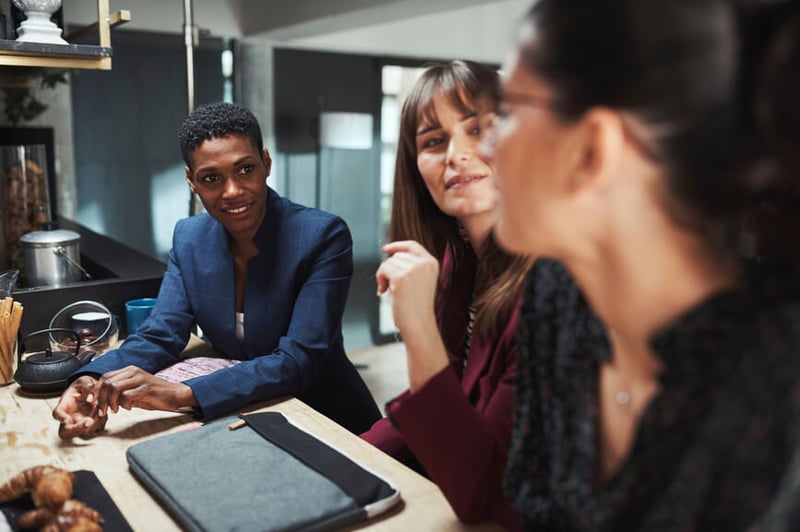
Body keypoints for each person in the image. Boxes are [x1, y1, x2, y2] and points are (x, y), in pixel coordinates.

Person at [486, 0, 800, 529]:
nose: (488, 145)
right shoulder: (555, 295)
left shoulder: (779, 387)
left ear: (592, 150)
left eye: (509, 109)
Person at [53, 102, 381, 439]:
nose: (232, 191)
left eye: (245, 170)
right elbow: (161, 334)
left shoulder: (322, 235)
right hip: (239, 418)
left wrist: (182, 393)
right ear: (191, 180)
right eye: (211, 178)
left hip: (325, 418)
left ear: (265, 163)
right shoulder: (189, 238)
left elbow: (297, 361)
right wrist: (91, 380)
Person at [359, 60, 533, 530]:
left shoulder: (551, 287)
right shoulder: (458, 261)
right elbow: (446, 400)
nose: (457, 154)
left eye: (479, 130)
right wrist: (341, 457)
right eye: (435, 141)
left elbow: (483, 492)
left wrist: (415, 326)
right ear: (416, 169)